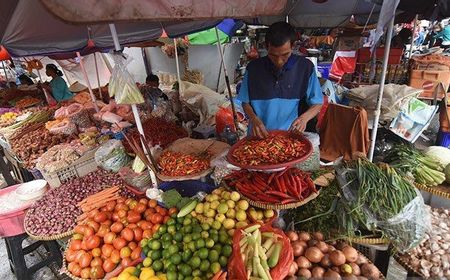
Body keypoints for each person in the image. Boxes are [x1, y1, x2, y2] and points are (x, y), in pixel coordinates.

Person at [238, 22, 323, 138]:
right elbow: (245, 102)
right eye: (273, 55)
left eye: (285, 55)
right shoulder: (253, 69)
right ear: (266, 47)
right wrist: (254, 119)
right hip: (258, 135)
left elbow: (317, 103)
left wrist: (304, 118)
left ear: (293, 46)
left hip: (288, 137)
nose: (279, 61)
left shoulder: (305, 68)